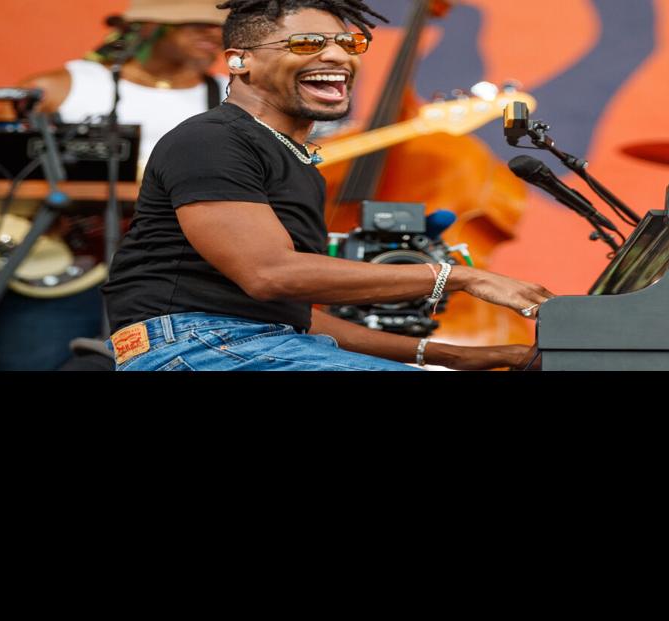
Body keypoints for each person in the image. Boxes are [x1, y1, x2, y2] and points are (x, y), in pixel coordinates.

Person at [102, 0, 552, 371]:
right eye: (307, 43)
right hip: (191, 347)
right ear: (241, 61)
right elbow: (269, 274)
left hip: (256, 343)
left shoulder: (297, 163)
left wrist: (461, 356)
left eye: (349, 42)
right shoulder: (213, 138)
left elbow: (297, 323)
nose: (338, 56)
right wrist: (459, 276)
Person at [0, 0, 233, 371]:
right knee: (17, 360)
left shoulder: (237, 98)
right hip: (74, 261)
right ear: (146, 27)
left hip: (182, 273)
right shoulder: (59, 88)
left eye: (222, 26)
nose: (215, 34)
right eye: (197, 24)